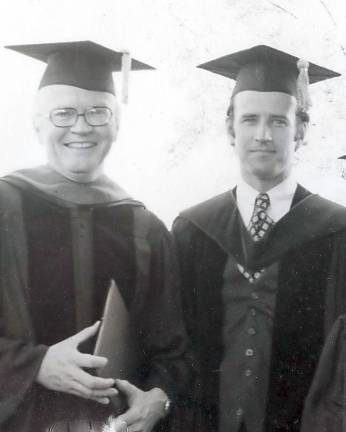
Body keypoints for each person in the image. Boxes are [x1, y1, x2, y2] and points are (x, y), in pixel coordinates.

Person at [0, 41, 190, 432]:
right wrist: (33, 365)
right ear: (38, 123)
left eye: (97, 112)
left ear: (116, 125)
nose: (81, 126)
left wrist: (157, 396)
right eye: (63, 113)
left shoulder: (145, 228)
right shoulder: (5, 208)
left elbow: (173, 352)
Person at [172, 45, 346, 432]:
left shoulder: (337, 232)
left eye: (279, 122)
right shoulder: (192, 229)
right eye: (250, 120)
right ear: (230, 128)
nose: (263, 135)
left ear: (300, 130)